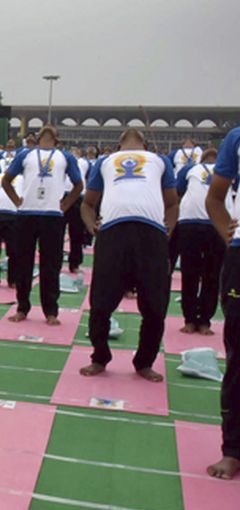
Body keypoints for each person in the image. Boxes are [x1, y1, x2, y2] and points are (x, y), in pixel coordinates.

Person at [79, 128, 178, 382]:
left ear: (145, 144)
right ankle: (100, 356)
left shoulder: (160, 161)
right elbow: (87, 203)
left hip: (151, 234)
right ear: (119, 144)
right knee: (100, 302)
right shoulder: (105, 161)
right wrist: (91, 226)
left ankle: (144, 362)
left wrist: (168, 229)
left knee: (155, 305)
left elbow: (172, 203)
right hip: (113, 233)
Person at [3, 125, 83, 325]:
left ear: (58, 139)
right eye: (43, 130)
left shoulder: (66, 157)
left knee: (51, 265)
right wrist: (16, 201)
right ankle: (22, 307)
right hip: (27, 213)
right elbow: (6, 180)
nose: (47, 130)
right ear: (37, 137)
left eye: (52, 130)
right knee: (23, 263)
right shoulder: (25, 154)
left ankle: (51, 310)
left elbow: (79, 185)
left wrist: (66, 204)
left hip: (52, 215)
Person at [204, 125, 240, 480]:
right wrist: (230, 235)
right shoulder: (237, 139)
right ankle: (233, 450)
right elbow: (214, 198)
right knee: (238, 358)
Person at [176, 149, 222, 335]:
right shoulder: (189, 169)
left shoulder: (190, 169)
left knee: (196, 273)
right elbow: (178, 190)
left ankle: (197, 320)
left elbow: (179, 191)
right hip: (203, 223)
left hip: (200, 223)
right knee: (208, 274)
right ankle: (197, 320)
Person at [63, 147, 90, 273]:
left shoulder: (85, 162)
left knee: (77, 233)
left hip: (78, 196)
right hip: (63, 194)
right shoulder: (62, 160)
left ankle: (75, 263)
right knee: (57, 232)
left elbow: (88, 178)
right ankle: (56, 262)